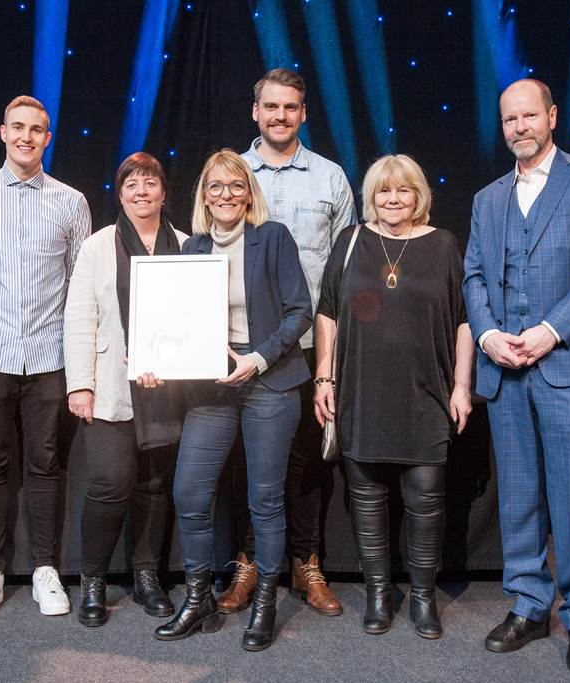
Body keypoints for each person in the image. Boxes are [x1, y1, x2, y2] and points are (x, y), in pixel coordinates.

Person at [463, 79, 570, 674]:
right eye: (510, 119)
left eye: (529, 116)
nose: (520, 127)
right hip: (506, 370)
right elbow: (473, 275)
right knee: (519, 494)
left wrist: (550, 331)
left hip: (569, 364)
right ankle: (530, 605)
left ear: (552, 116)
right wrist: (487, 336)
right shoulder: (487, 198)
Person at [154, 149, 312, 652]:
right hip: (212, 387)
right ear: (204, 196)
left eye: (236, 186)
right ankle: (198, 597)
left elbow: (300, 311)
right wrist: (158, 358)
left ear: (249, 193)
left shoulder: (274, 237)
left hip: (269, 381)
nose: (226, 195)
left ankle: (265, 603)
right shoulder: (192, 248)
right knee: (189, 492)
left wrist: (258, 358)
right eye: (216, 187)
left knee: (265, 499)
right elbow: (175, 322)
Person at [314, 154, 474, 639]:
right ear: (371, 197)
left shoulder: (444, 245)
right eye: (383, 190)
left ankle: (423, 598)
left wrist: (462, 385)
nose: (393, 199)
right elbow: (327, 313)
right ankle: (378, 596)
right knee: (366, 500)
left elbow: (465, 320)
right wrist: (323, 377)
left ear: (418, 195)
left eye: (403, 190)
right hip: (361, 393)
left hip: (426, 394)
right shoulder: (350, 241)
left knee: (426, 502)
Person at [216, 68, 356, 618]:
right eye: (270, 106)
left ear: (303, 113)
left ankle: (306, 561)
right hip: (244, 352)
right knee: (248, 463)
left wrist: (334, 357)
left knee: (308, 462)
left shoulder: (330, 178)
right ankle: (249, 563)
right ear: (256, 112)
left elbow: (345, 269)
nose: (279, 116)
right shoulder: (231, 173)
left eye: (290, 107)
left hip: (310, 346)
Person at [0, 95, 90, 620]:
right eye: (18, 127)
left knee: (45, 464)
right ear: (3, 132)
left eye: (36, 129)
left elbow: (79, 288)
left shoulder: (71, 201)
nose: (26, 137)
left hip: (50, 356)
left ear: (47, 138)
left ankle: (45, 569)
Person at [63, 152, 188, 626]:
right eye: (132, 184)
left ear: (164, 192)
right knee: (110, 484)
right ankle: (93, 579)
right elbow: (79, 318)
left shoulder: (187, 245)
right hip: (111, 386)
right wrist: (81, 385)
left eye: (150, 182)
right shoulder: (97, 247)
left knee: (155, 486)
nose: (141, 191)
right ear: (119, 194)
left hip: (170, 390)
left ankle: (147, 576)